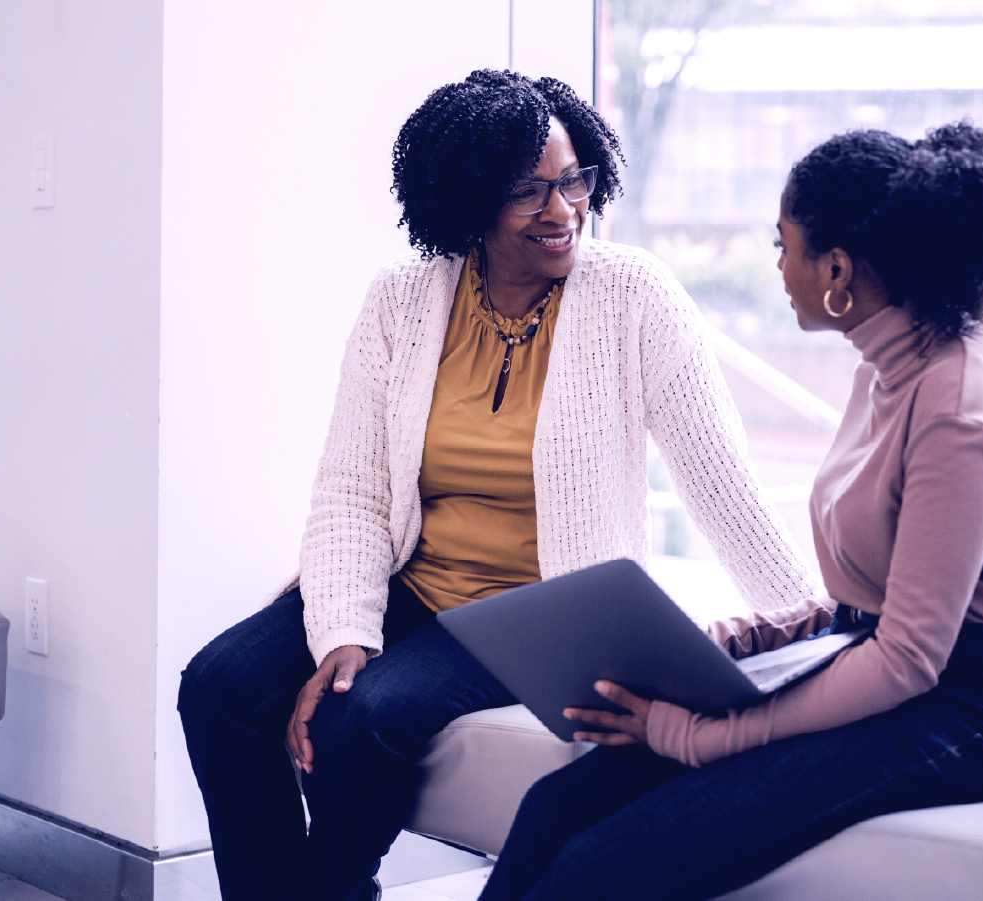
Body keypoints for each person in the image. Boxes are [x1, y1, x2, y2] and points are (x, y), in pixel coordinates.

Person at [174, 70, 816, 901]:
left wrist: (815, 628)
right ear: (468, 201)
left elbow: (720, 483)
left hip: (531, 608)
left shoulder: (631, 296)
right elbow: (352, 491)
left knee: (360, 715)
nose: (563, 210)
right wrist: (345, 629)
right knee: (217, 688)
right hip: (412, 578)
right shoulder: (400, 302)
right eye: (529, 192)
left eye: (573, 179)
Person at [478, 123, 983, 901]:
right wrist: (738, 642)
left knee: (604, 869)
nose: (778, 266)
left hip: (981, 707)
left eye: (782, 245)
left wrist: (701, 735)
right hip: (895, 657)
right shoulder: (888, 364)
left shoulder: (959, 408)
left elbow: (907, 658)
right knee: (557, 806)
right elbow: (874, 599)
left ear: (836, 269)